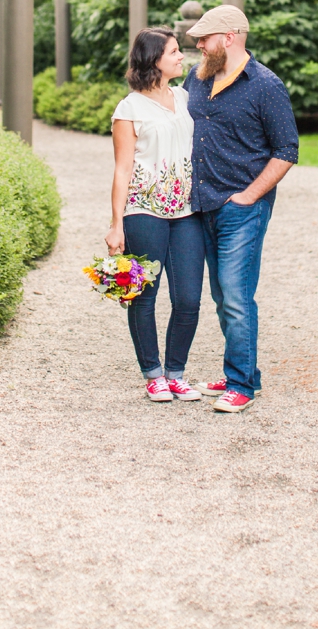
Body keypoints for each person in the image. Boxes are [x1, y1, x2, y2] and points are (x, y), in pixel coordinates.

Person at [183, 4, 298, 412]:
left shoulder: (266, 85)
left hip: (242, 209)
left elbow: (286, 150)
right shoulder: (195, 80)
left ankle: (242, 385)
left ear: (229, 38)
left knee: (235, 295)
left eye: (204, 38)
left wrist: (250, 195)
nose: (197, 44)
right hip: (200, 206)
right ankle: (244, 370)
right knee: (222, 295)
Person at [106, 27, 207, 403]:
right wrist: (116, 224)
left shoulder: (184, 97)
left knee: (189, 299)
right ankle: (153, 374)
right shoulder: (128, 109)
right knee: (143, 295)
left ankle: (176, 373)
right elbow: (121, 169)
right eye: (174, 51)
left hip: (186, 210)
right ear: (154, 60)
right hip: (142, 209)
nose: (181, 56)